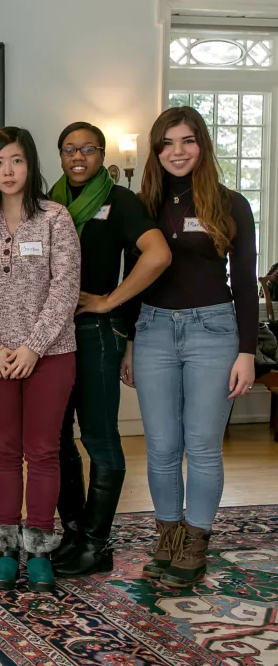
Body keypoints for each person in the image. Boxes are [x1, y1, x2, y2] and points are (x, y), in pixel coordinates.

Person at [129, 106, 256, 589]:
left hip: (214, 332)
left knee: (202, 448)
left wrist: (247, 350)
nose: (177, 152)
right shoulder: (142, 203)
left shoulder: (231, 203)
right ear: (155, 150)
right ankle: (167, 536)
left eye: (186, 141)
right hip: (154, 330)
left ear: (201, 145)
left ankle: (196, 540)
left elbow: (244, 282)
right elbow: (133, 280)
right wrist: (129, 343)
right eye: (167, 143)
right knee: (161, 447)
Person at [47, 122, 171, 577]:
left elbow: (157, 255)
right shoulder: (50, 203)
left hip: (96, 334)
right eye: (69, 150)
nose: (78, 157)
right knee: (55, 440)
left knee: (98, 438)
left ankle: (97, 543)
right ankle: (75, 533)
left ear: (102, 155)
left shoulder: (120, 201)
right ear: (59, 155)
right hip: (49, 339)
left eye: (88, 149)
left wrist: (108, 301)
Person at [0, 127, 80, 593]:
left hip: (50, 353)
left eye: (16, 161)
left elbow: (65, 287)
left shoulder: (55, 218)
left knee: (44, 451)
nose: (7, 171)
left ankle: (39, 548)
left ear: (30, 165)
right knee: (4, 451)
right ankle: (7, 546)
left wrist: (33, 346)